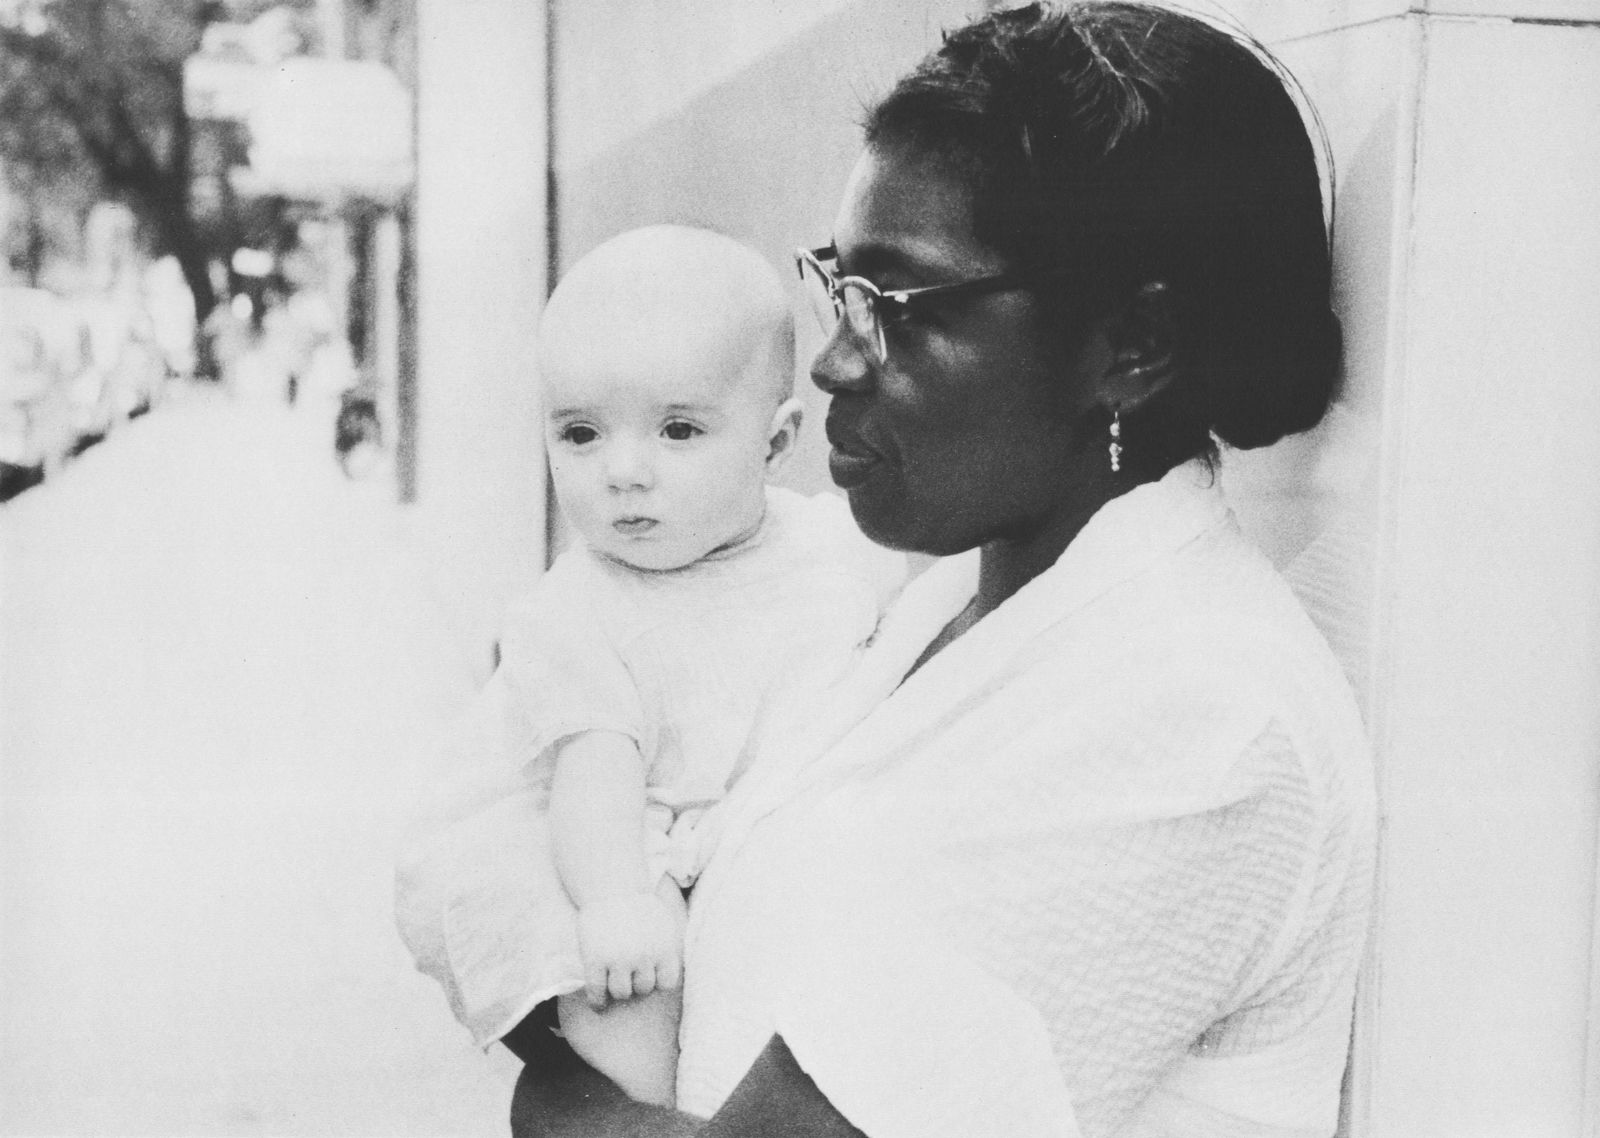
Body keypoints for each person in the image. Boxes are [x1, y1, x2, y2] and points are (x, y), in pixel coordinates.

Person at [401, 5, 1377, 1136]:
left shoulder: (1205, 723)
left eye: (895, 307)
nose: (830, 360)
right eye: (835, 286)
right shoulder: (932, 611)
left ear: (1129, 350)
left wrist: (564, 1093)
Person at [395, 225, 904, 1108]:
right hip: (624, 847)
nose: (623, 472)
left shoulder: (829, 551)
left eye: (678, 431)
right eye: (582, 434)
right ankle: (650, 1112)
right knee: (633, 990)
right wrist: (613, 901)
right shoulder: (580, 611)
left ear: (777, 443)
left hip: (757, 834)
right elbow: (596, 770)